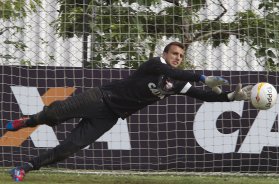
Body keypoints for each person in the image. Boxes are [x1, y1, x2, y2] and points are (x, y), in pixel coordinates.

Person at [6, 42, 252, 182]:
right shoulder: (155, 65)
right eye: (174, 54)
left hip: (110, 117)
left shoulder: (176, 83)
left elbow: (202, 94)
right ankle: (27, 121)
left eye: (181, 55)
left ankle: (24, 168)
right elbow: (179, 74)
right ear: (165, 54)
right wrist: (202, 76)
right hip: (100, 97)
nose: (177, 58)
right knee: (54, 114)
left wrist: (230, 96)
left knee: (70, 147)